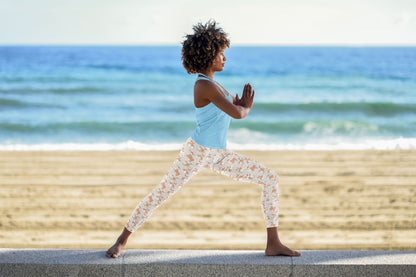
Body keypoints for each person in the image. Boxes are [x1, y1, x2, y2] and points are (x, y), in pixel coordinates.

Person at [106, 20, 301, 258]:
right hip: (196, 152)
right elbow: (238, 115)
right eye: (221, 54)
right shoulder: (203, 85)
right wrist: (246, 107)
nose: (225, 58)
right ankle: (121, 240)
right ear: (209, 55)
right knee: (161, 193)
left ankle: (273, 243)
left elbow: (226, 110)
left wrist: (237, 105)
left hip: (219, 154)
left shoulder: (214, 84)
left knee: (270, 178)